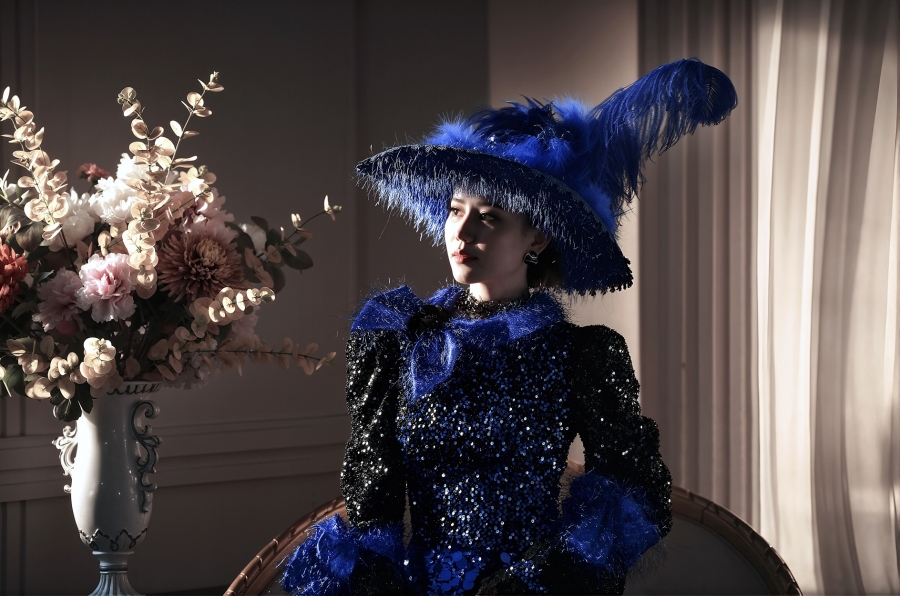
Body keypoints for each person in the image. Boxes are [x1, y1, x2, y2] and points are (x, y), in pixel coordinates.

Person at [282, 58, 737, 595]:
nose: (462, 232)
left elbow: (632, 491)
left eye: (490, 217)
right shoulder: (396, 337)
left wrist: (536, 579)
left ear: (536, 239)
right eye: (456, 210)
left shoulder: (582, 354)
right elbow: (372, 491)